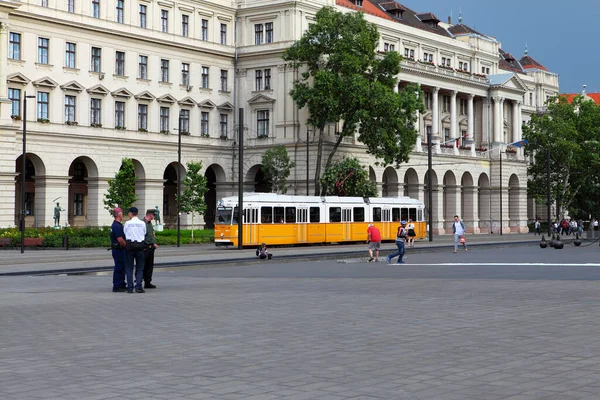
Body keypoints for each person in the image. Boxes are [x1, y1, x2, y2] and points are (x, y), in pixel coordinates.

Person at [123, 207, 146, 293]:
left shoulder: (127, 223)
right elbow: (144, 233)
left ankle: (130, 288)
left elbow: (125, 233)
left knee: (129, 268)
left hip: (130, 247)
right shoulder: (142, 223)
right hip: (140, 246)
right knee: (140, 268)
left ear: (130, 213)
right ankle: (138, 287)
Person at [109, 207, 127, 292]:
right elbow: (120, 239)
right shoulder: (117, 226)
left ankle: (121, 283)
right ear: (119, 215)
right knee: (119, 267)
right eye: (122, 214)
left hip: (117, 249)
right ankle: (117, 285)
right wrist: (127, 246)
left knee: (121, 267)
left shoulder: (116, 224)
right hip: (119, 249)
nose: (123, 215)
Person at [142, 209, 159, 289]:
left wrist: (153, 243)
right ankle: (139, 281)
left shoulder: (149, 223)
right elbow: (142, 236)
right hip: (145, 248)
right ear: (150, 214)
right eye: (154, 215)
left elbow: (151, 234)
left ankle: (147, 282)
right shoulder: (142, 223)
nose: (154, 217)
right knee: (142, 265)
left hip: (151, 248)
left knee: (149, 266)